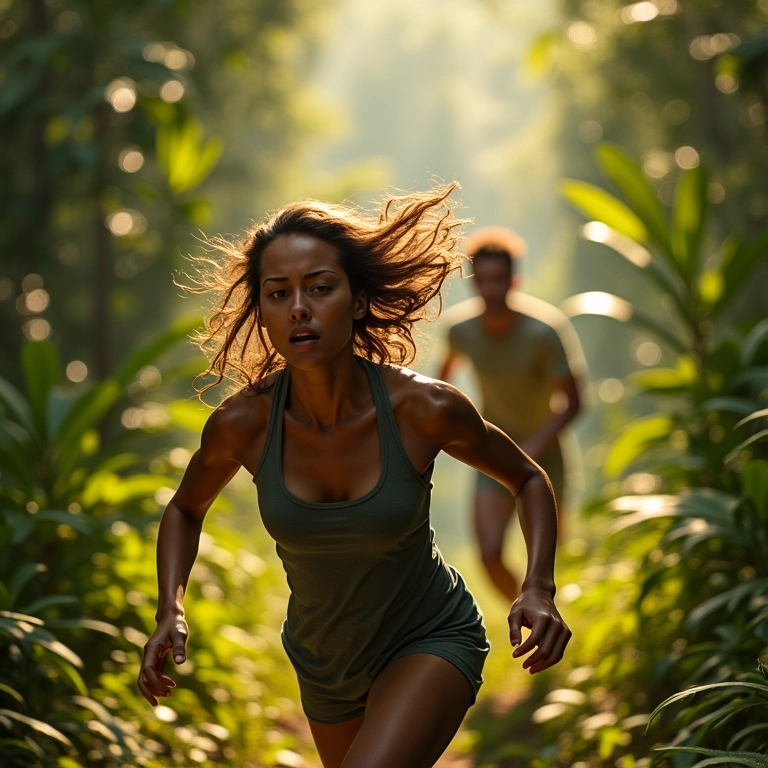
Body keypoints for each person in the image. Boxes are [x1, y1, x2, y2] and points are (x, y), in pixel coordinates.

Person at [137, 186, 571, 768]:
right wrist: (172, 608)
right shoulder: (242, 423)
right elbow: (185, 508)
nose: (298, 308)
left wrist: (538, 586)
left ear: (358, 300)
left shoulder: (424, 409)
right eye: (277, 293)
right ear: (262, 312)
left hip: (429, 636)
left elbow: (528, 478)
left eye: (319, 288)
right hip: (323, 664)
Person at [439, 226, 586, 604]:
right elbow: (440, 388)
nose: (490, 290)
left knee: (547, 564)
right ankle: (527, 615)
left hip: (546, 454)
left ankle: (546, 611)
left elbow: (573, 402)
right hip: (494, 452)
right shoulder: (460, 330)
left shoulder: (544, 331)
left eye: (498, 280)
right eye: (482, 281)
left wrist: (535, 446)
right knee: (489, 554)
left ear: (514, 280)